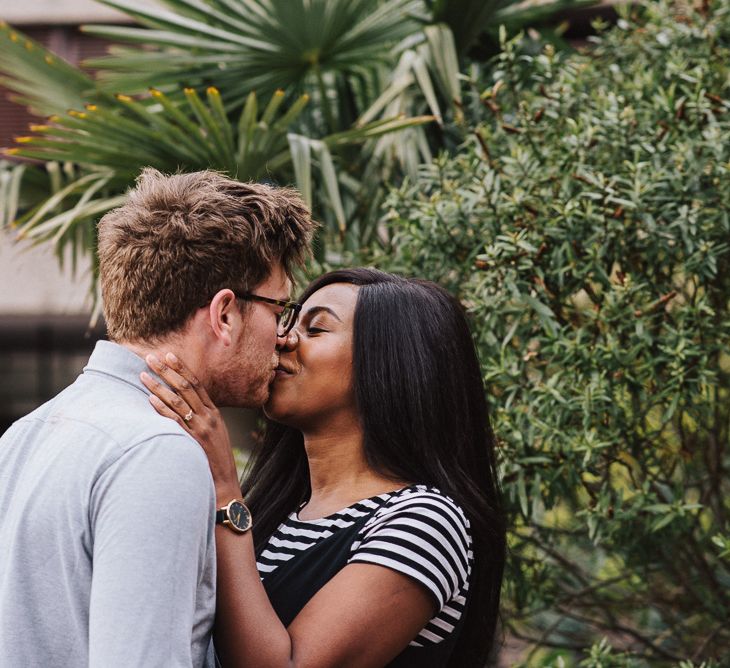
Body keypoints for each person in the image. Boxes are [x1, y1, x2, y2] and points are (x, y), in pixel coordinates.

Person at [0, 168, 316, 667]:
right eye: (280, 308)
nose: (283, 335)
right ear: (225, 315)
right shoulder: (157, 452)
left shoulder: (25, 435)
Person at [143, 267, 506, 667]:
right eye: (288, 321)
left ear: (387, 364)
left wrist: (226, 492)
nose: (282, 339)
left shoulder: (426, 522)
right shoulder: (275, 510)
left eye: (315, 329)